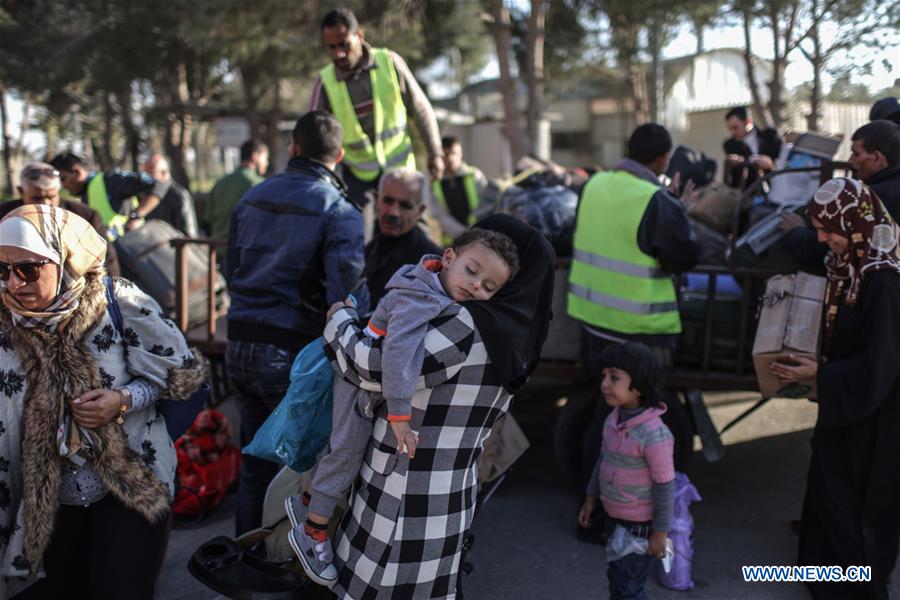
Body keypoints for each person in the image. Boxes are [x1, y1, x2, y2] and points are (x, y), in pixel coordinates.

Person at [317, 214, 553, 598]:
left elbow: (370, 366)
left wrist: (339, 319)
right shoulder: (519, 343)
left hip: (399, 495)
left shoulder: (464, 324)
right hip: (450, 499)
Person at [0, 205, 206, 600]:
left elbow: (182, 376)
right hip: (41, 502)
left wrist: (123, 399)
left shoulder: (120, 302)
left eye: (27, 268)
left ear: (63, 260)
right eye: (2, 270)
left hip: (128, 487)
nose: (13, 283)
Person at [225, 111, 370, 535]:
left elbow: (230, 267)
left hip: (239, 348)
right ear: (339, 156)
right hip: (291, 357)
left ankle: (244, 568)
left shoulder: (251, 197)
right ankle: (282, 574)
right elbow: (344, 300)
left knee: (253, 471)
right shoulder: (340, 211)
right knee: (296, 477)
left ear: (293, 148)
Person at [770, 177, 900, 600]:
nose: (823, 241)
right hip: (848, 407)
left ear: (855, 224)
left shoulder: (884, 280)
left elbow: (882, 363)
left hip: (874, 417)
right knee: (828, 498)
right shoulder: (853, 264)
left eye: (830, 231)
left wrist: (818, 377)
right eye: (818, 230)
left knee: (853, 511)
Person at [308, 8, 444, 208]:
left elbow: (420, 109)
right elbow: (310, 133)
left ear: (360, 36)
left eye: (344, 44)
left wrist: (435, 152)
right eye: (331, 47)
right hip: (356, 178)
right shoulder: (325, 82)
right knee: (356, 231)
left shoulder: (389, 63)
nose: (339, 53)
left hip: (399, 170)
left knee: (412, 230)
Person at [578, 342, 674, 600]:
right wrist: (590, 498)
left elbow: (665, 485)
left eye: (615, 378)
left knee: (628, 589)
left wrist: (661, 533)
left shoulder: (654, 434)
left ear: (639, 386)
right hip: (614, 518)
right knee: (619, 581)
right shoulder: (613, 419)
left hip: (640, 527)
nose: (605, 384)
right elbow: (604, 460)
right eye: (604, 376)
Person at [781, 120, 900, 270]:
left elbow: (832, 251)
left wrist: (795, 232)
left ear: (877, 158)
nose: (850, 161)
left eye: (856, 154)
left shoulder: (870, 198)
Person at [0, 162, 120, 276]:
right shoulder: (4, 216)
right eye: (37, 198)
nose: (45, 204)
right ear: (21, 191)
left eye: (51, 197)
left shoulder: (84, 216)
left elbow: (107, 259)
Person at [365, 168, 441, 306]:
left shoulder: (431, 267)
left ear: (420, 211)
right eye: (388, 201)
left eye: (405, 205)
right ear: (377, 201)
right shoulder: (369, 249)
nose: (394, 212)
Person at [49, 152, 166, 239]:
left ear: (76, 172)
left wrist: (137, 215)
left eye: (63, 179)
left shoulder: (110, 180)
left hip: (133, 254)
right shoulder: (84, 196)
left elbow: (158, 184)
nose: (62, 186)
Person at [430, 135, 489, 245]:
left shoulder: (474, 175)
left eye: (454, 153)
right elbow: (441, 215)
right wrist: (465, 234)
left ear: (460, 154)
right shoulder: (435, 183)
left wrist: (474, 231)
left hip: (480, 237)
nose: (451, 158)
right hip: (451, 243)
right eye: (446, 155)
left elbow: (486, 206)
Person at [206, 138, 268, 243]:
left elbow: (207, 221)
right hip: (245, 252)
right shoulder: (262, 185)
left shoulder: (220, 183)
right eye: (265, 158)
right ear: (255, 156)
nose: (266, 163)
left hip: (218, 250)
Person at [722, 106, 782, 189]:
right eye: (730, 129)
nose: (733, 132)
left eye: (735, 127)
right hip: (750, 191)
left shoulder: (770, 136)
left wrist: (770, 164)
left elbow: (783, 160)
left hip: (777, 185)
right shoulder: (730, 145)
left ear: (748, 122)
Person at [142, 153, 199, 237]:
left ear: (164, 173)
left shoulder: (179, 196)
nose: (146, 178)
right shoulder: (145, 194)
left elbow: (188, 235)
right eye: (145, 174)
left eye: (151, 173)